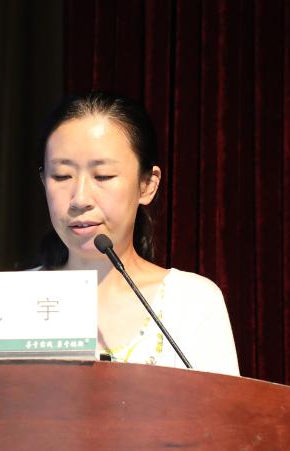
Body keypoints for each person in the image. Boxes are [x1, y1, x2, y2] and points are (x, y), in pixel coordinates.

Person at [36, 91, 240, 376]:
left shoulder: (192, 301)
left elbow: (222, 405)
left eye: (103, 176)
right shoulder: (7, 300)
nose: (80, 198)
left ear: (147, 185)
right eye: (61, 176)